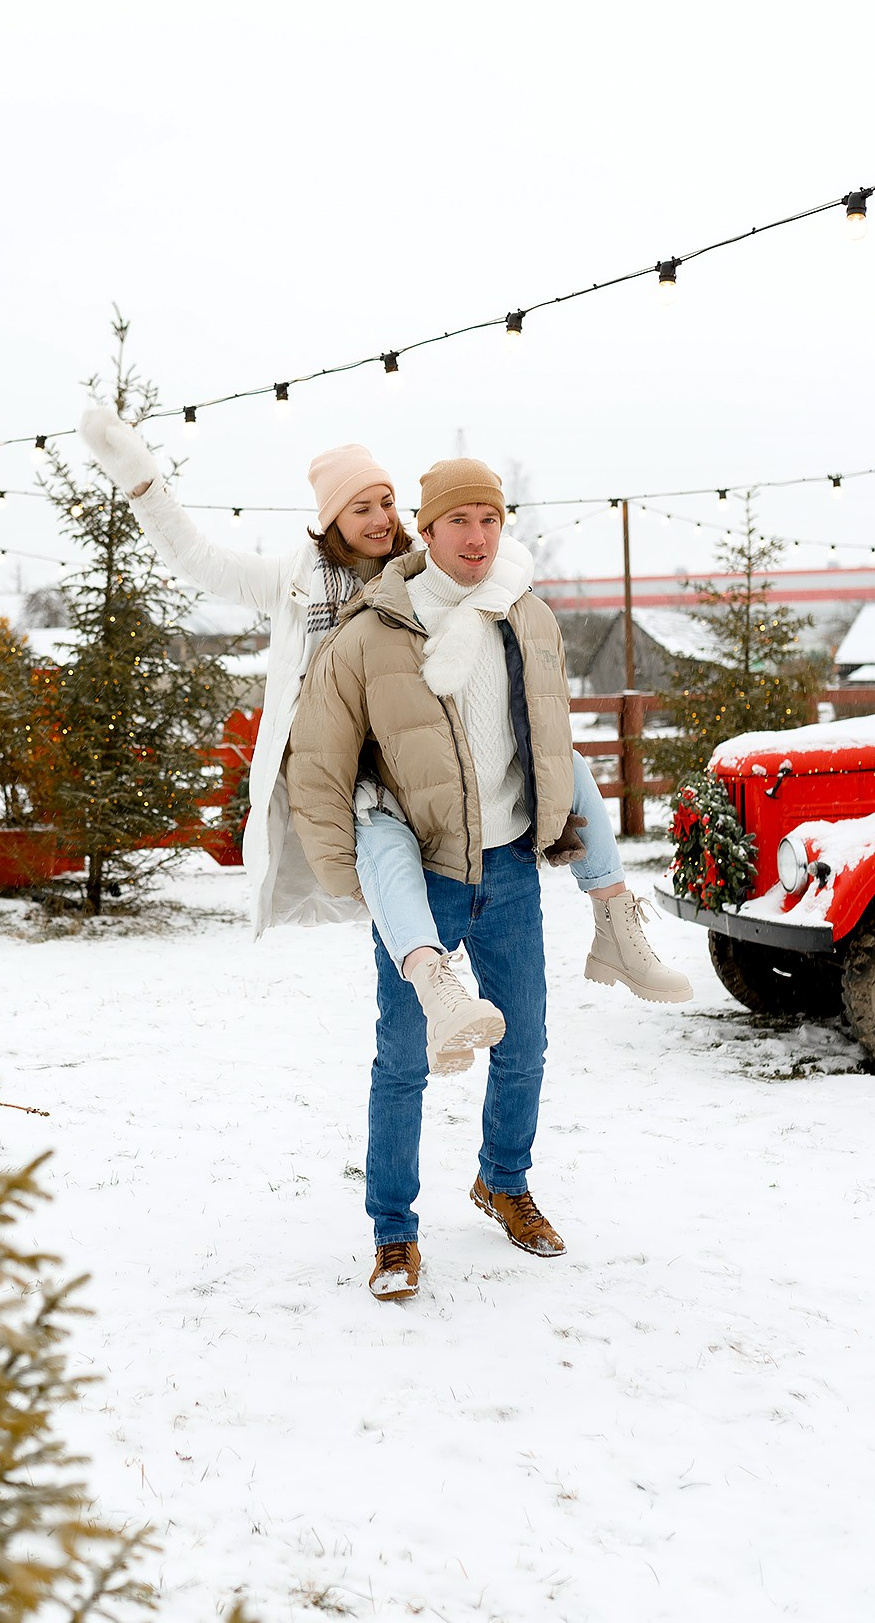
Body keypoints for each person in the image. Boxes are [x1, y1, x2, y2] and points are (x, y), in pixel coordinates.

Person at [78, 409, 689, 1080]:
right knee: (380, 834)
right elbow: (199, 561)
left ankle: (614, 921)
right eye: (360, 507)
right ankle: (435, 994)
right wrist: (142, 484)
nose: (378, 518)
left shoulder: (421, 564)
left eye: (387, 502)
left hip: (429, 749)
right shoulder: (296, 579)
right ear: (331, 518)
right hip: (356, 764)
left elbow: (497, 567)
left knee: (561, 757)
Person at [287, 458, 579, 1300]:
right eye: (460, 521)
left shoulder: (525, 616)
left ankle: (505, 1182)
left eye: (491, 520)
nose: (478, 537)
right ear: (427, 527)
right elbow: (320, 763)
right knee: (404, 1059)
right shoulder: (373, 631)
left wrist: (560, 830)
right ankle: (392, 1230)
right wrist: (355, 883)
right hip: (423, 872)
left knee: (523, 1046)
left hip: (513, 864)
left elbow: (552, 735)